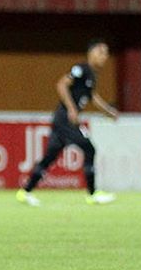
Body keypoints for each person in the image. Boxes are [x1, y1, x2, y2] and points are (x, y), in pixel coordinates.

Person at [16, 40, 118, 207]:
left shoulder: (92, 74)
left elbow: (92, 96)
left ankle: (25, 191)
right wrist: (72, 109)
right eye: (101, 52)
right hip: (65, 119)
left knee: (49, 157)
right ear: (90, 52)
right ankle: (93, 194)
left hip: (63, 119)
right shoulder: (81, 69)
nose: (104, 57)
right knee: (89, 148)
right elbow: (61, 84)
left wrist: (108, 111)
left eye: (106, 53)